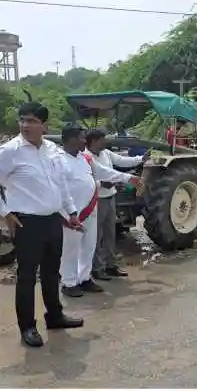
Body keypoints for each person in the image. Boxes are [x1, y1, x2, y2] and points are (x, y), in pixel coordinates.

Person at [0, 102, 84, 348]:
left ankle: (54, 316)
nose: (25, 125)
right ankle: (27, 327)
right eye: (22, 120)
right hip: (27, 223)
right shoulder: (10, 151)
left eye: (32, 121)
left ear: (45, 126)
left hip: (53, 219)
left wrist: (71, 212)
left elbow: (61, 184)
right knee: (26, 277)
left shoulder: (52, 150)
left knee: (51, 272)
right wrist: (5, 213)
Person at [55, 126, 140, 297]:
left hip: (91, 210)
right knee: (71, 250)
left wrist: (127, 178)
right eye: (81, 138)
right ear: (71, 139)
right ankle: (69, 283)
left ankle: (84, 278)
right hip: (70, 214)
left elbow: (103, 172)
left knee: (89, 246)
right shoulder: (57, 160)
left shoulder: (85, 158)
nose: (84, 141)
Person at [84, 129, 150, 280]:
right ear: (94, 141)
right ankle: (97, 268)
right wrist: (125, 178)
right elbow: (105, 172)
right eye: (102, 140)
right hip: (96, 199)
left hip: (110, 197)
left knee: (109, 234)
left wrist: (141, 158)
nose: (105, 142)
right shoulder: (87, 156)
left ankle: (110, 265)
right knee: (96, 235)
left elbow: (121, 161)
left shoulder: (106, 153)